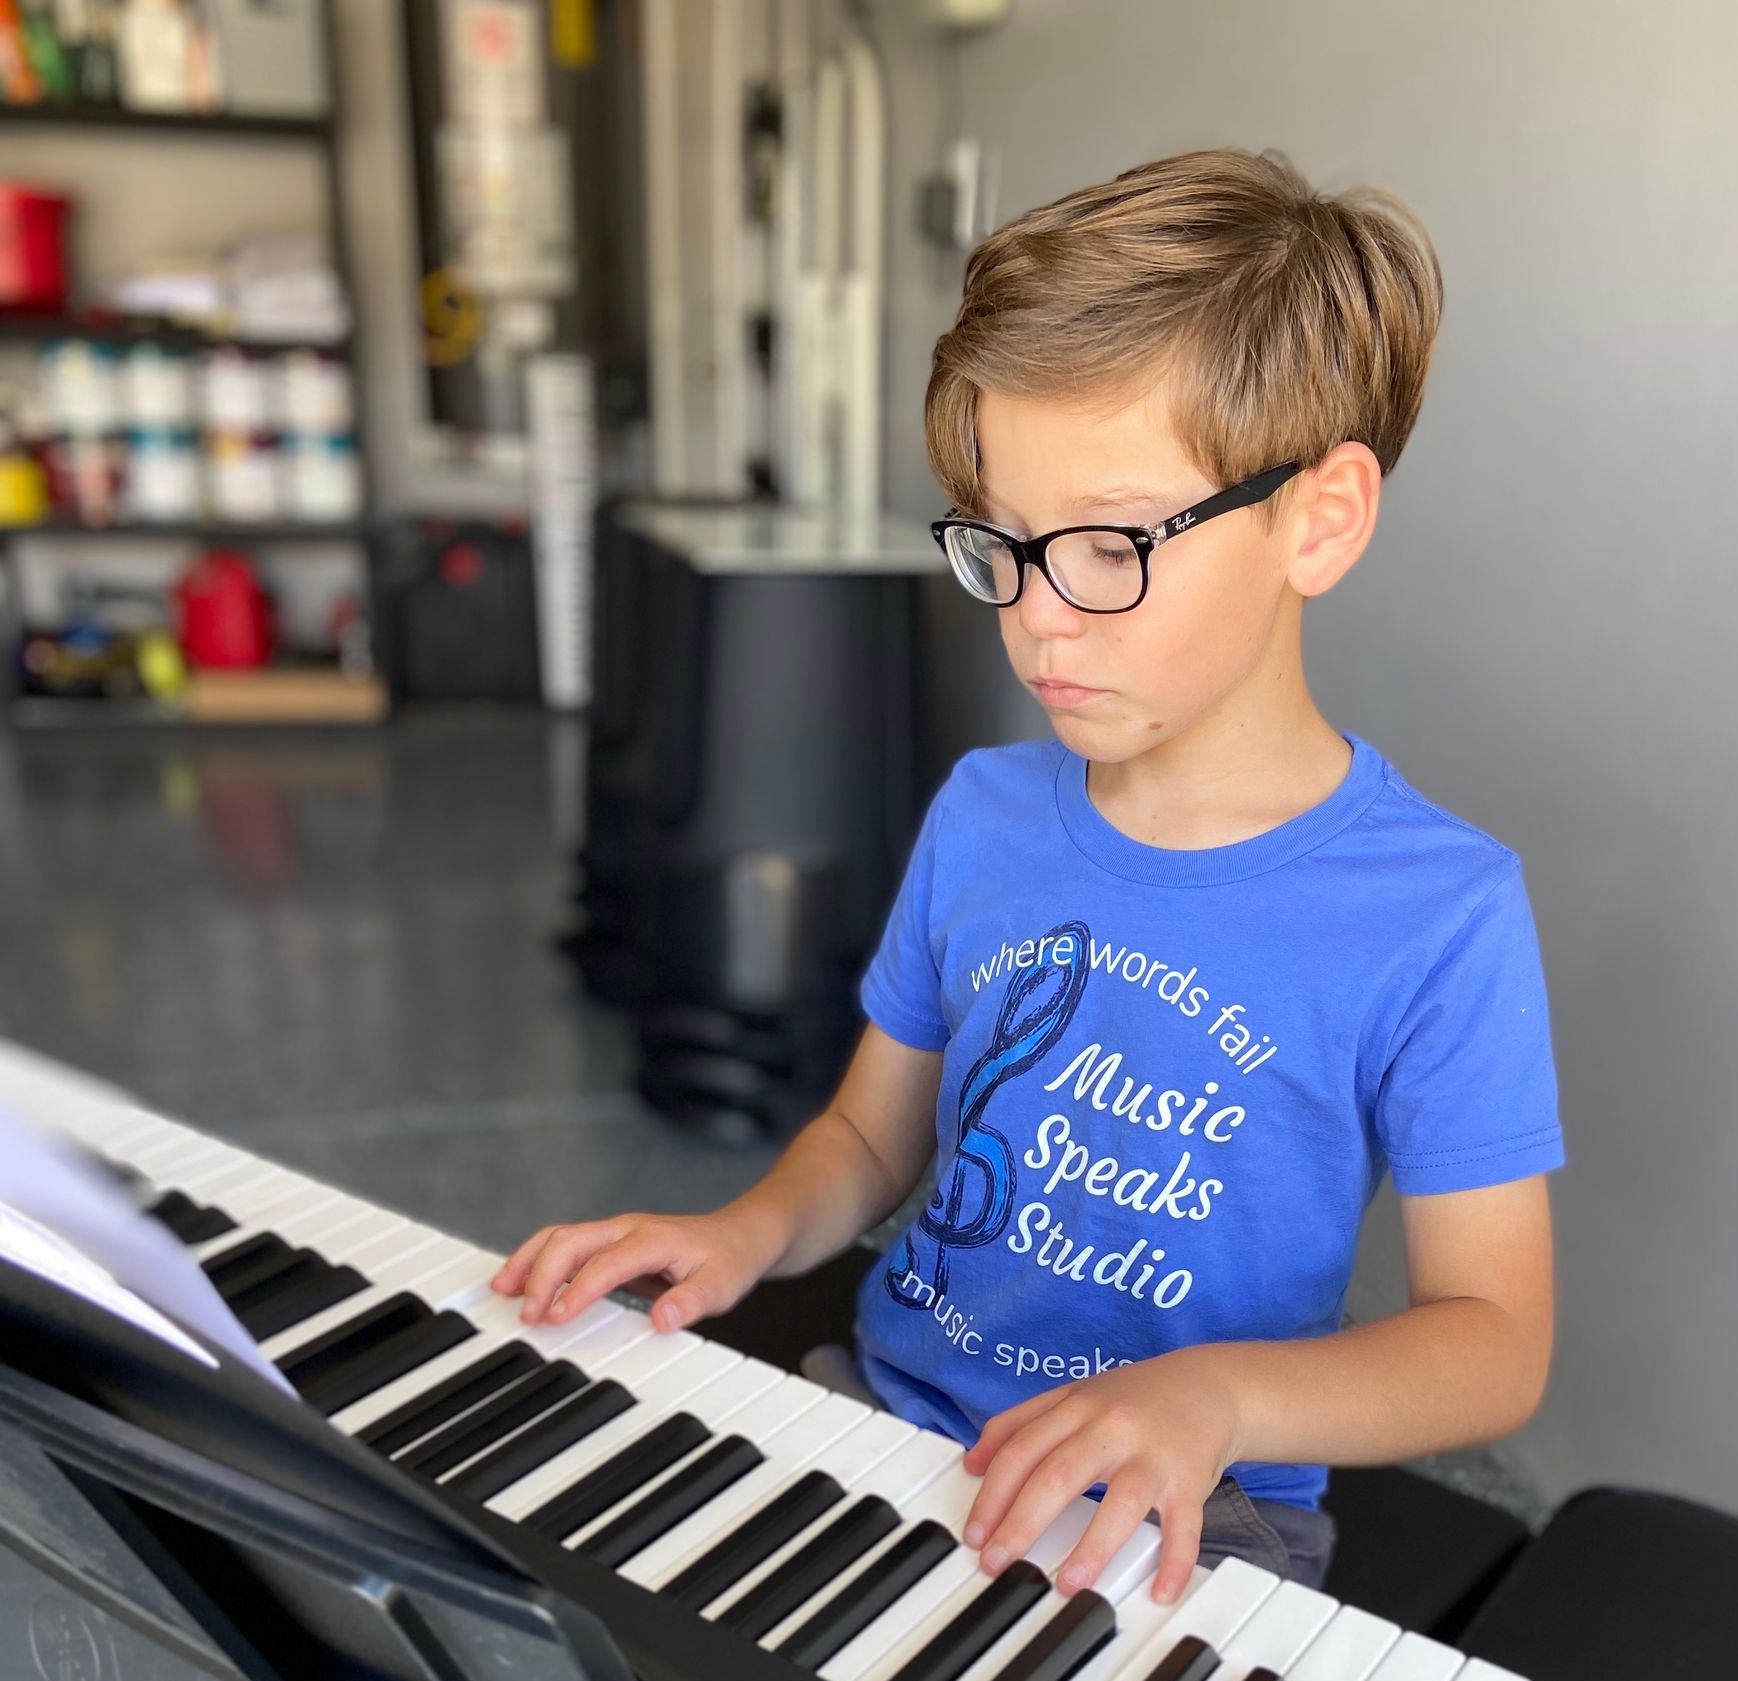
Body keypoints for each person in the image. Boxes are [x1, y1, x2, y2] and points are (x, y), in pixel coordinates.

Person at [494, 146, 1563, 1606]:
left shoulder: (1439, 911)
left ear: (1318, 519)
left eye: (1110, 546)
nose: (1040, 620)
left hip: (1194, 1514)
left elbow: (1492, 1337)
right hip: (886, 1417)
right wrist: (742, 1228)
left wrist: (1219, 1402)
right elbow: (873, 1143)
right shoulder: (987, 812)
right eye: (1000, 543)